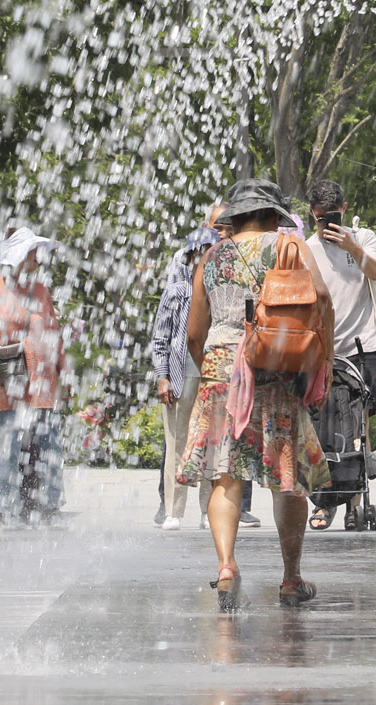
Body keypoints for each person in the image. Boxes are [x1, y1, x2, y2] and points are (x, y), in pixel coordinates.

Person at [180, 178, 332, 609]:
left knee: (224, 475)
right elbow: (320, 297)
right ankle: (290, 578)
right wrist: (325, 358)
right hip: (274, 367)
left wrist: (213, 367)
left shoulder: (211, 255)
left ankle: (227, 567)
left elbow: (195, 332)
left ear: (237, 216)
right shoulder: (289, 247)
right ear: (272, 214)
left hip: (218, 370)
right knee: (286, 478)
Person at [0, 227, 67, 522]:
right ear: (20, 256)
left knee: (49, 442)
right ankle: (8, 506)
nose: (39, 258)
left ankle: (49, 504)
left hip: (43, 377)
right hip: (6, 374)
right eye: (34, 252)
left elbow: (54, 335)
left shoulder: (41, 291)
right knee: (7, 442)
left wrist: (64, 371)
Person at [303, 177, 376, 530]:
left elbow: (375, 272)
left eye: (333, 217)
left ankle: (355, 502)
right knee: (320, 426)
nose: (327, 226)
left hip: (363, 346)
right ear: (311, 215)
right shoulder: (307, 248)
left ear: (345, 210)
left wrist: (351, 246)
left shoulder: (363, 238)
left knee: (358, 427)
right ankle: (323, 500)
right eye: (322, 219)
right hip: (323, 350)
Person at [150, 207, 223, 530]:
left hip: (212, 375)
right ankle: (173, 511)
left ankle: (208, 511)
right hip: (181, 376)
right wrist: (162, 376)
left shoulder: (221, 294)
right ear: (193, 257)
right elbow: (160, 339)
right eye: (202, 254)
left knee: (212, 444)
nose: (206, 260)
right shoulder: (176, 293)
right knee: (177, 443)